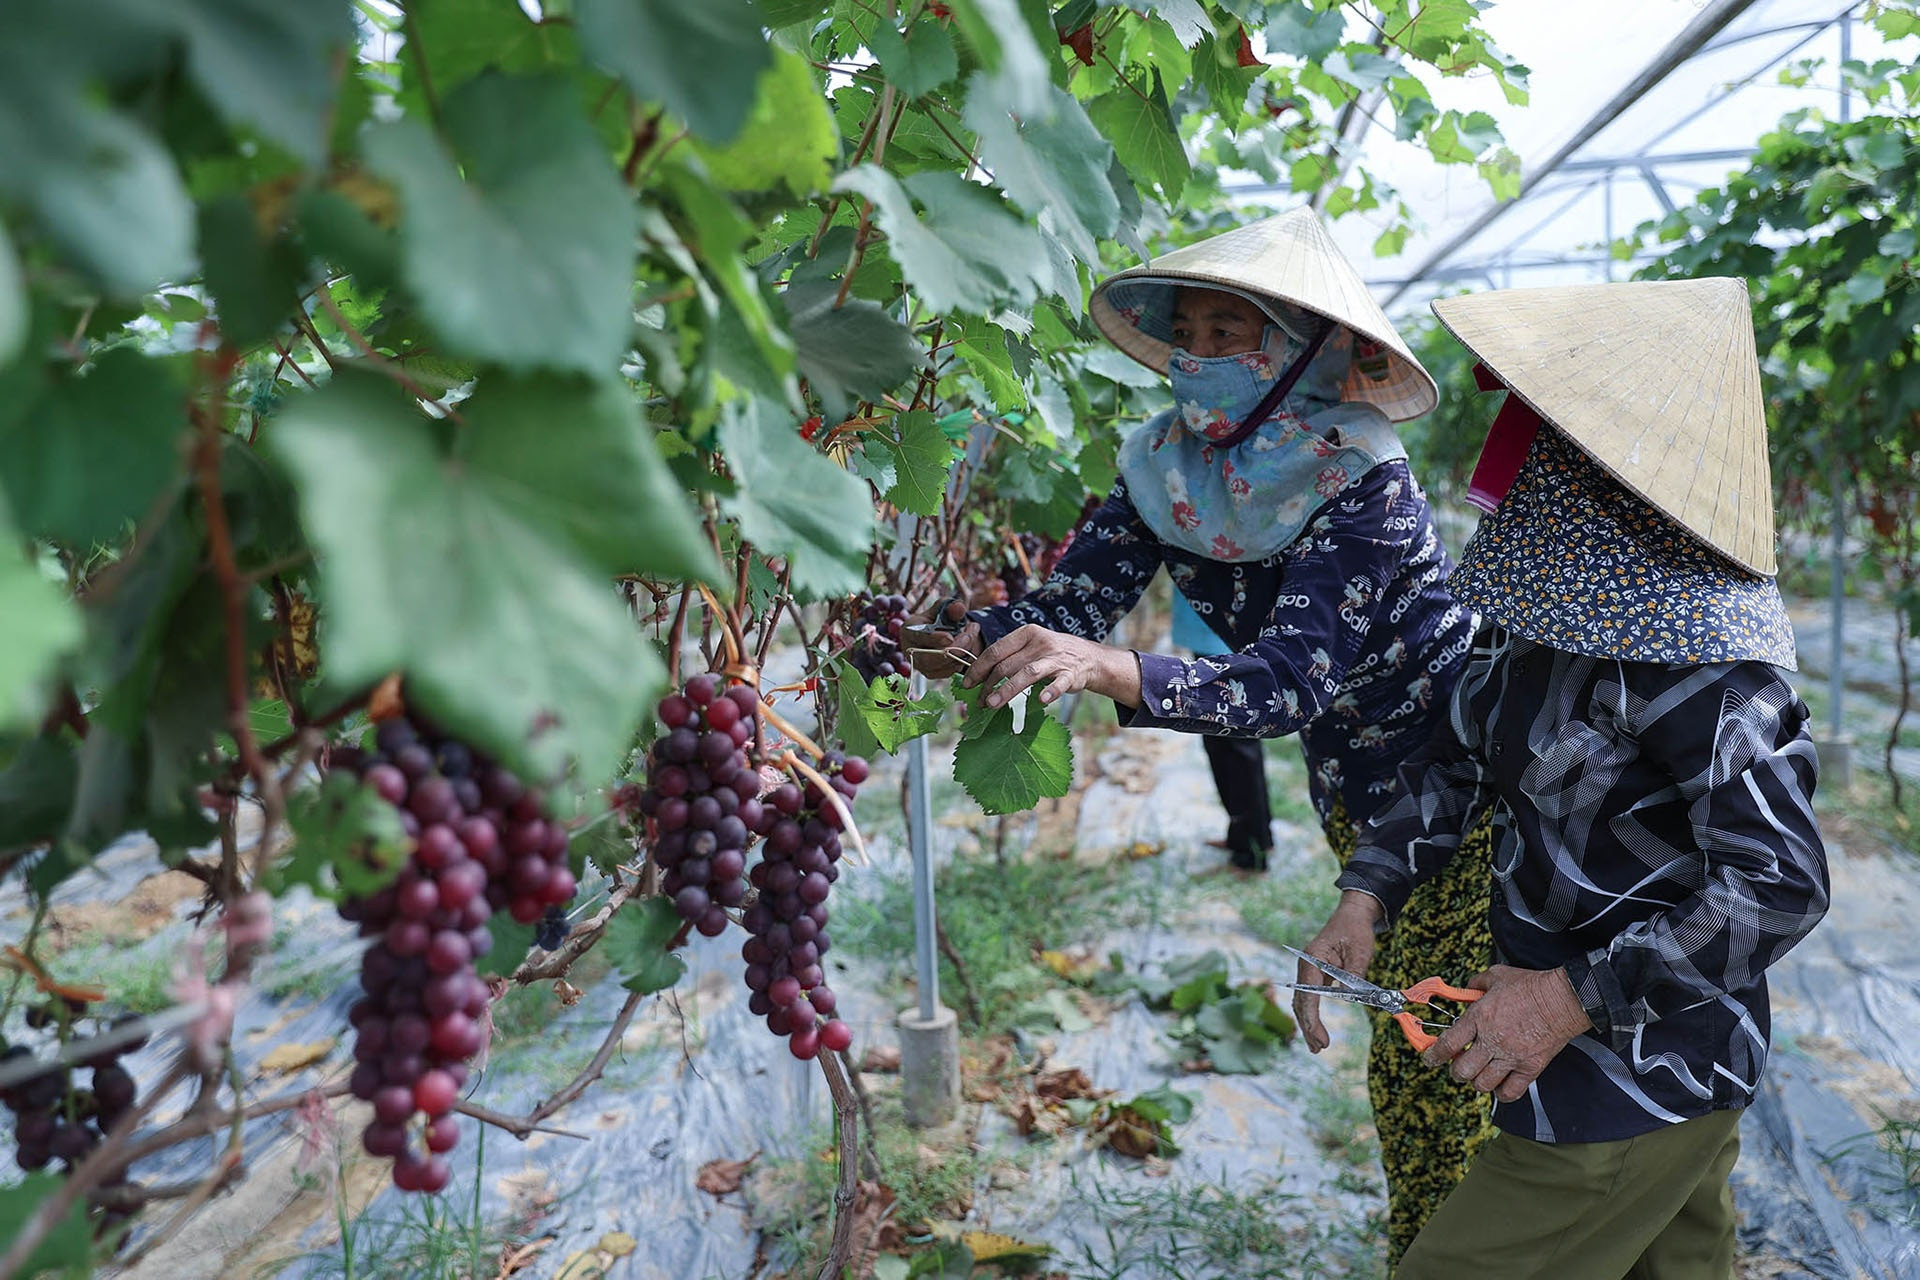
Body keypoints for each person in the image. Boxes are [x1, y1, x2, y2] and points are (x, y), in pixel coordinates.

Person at [905, 208, 1493, 1264]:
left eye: (1235, 333)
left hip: (1461, 785)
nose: (1206, 356)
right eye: (1195, 333)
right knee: (1409, 1051)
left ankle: (1471, 1247)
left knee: (1445, 1077)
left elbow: (1286, 682)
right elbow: (1076, 599)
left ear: (1303, 353)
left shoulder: (1365, 479)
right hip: (1356, 793)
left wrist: (1114, 670)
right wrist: (949, 643)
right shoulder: (1164, 465)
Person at [1292, 277, 1830, 1279]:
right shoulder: (1548, 623)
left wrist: (1567, 998)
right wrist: (1364, 896)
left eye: (1531, 427)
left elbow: (1780, 884)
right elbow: (1458, 755)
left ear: (1602, 463)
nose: (1509, 459)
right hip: (1634, 1075)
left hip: (1633, 1078)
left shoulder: (1711, 674)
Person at [1169, 591, 1275, 870]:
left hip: (1222, 629)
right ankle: (1250, 837)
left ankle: (1251, 855)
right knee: (1223, 740)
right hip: (1212, 627)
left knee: (1234, 742)